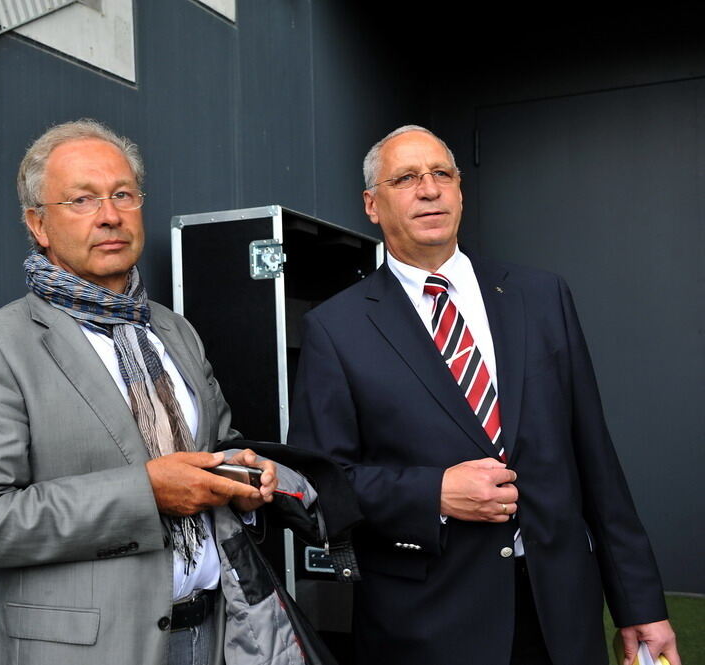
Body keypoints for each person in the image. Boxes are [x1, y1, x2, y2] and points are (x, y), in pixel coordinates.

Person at [287, 125, 681, 665]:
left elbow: (596, 463)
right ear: (372, 204)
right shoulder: (336, 328)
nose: (429, 190)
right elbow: (317, 483)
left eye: (441, 175)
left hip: (560, 616)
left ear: (460, 190)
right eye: (406, 178)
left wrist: (639, 604)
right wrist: (432, 494)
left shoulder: (541, 298)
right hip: (429, 625)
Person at [0, 119, 279, 665]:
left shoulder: (174, 331)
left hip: (212, 634)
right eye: (82, 199)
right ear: (38, 224)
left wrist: (241, 473)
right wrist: (146, 493)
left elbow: (219, 443)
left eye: (123, 194)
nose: (110, 215)